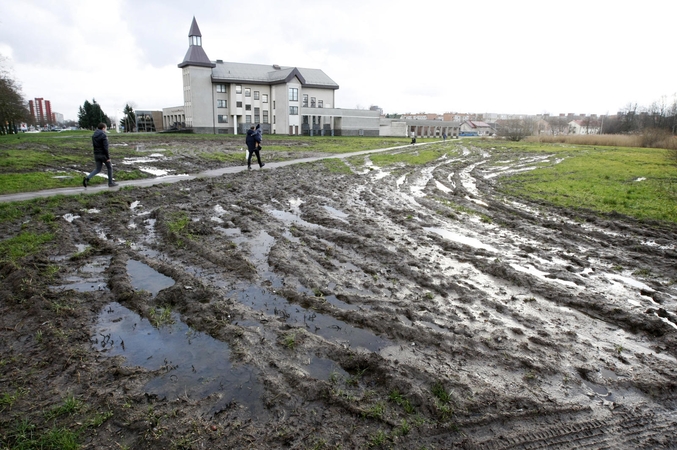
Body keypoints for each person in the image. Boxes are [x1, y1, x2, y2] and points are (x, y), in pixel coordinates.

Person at [83, 123, 118, 188]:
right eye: (106, 128)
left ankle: (87, 178)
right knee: (109, 168)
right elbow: (105, 147)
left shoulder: (94, 135)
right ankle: (110, 183)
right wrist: (108, 157)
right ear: (103, 128)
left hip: (96, 154)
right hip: (103, 155)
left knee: (98, 169)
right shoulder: (103, 135)